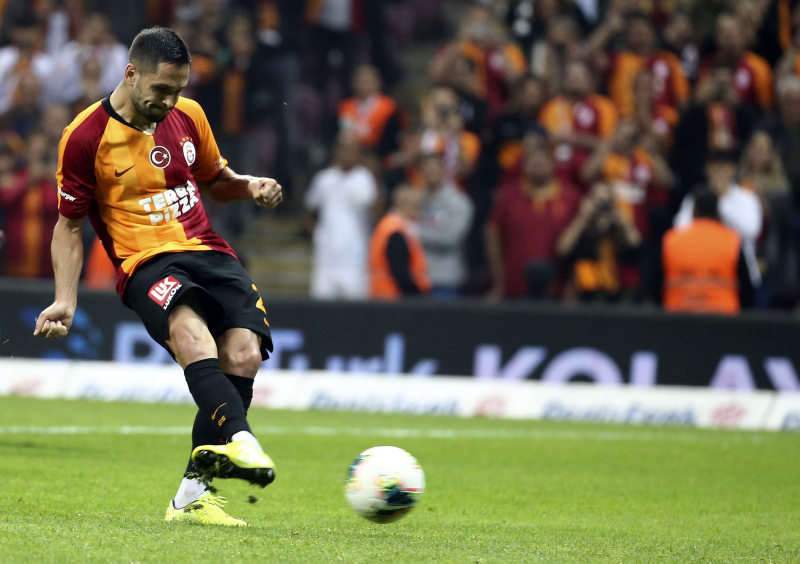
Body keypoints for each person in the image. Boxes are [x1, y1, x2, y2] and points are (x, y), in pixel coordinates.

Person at [33, 27, 283, 527]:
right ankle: (242, 439)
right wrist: (65, 298)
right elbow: (69, 226)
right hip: (145, 261)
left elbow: (216, 180)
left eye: (178, 90)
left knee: (244, 354)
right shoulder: (85, 136)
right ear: (131, 74)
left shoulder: (189, 115)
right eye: (161, 90)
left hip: (208, 250)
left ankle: (192, 497)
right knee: (192, 334)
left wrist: (250, 185)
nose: (169, 101)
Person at [485, 133, 580, 300]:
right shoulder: (508, 195)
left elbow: (579, 245)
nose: (538, 164)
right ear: (524, 165)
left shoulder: (570, 197)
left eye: (543, 160)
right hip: (513, 289)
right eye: (532, 160)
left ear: (553, 164)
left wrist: (572, 287)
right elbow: (492, 235)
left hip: (557, 291)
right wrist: (499, 281)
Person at [303, 134, 378, 300]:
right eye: (344, 149)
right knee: (322, 309)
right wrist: (316, 234)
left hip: (356, 261)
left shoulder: (365, 178)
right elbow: (308, 208)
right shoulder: (324, 179)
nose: (348, 154)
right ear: (336, 151)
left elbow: (377, 213)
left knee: (355, 311)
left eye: (352, 150)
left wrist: (376, 177)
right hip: (326, 261)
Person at [674, 149, 762, 287]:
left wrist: (721, 200)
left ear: (733, 169)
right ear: (707, 170)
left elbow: (751, 230)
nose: (720, 171)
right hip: (701, 272)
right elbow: (680, 230)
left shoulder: (746, 197)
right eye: (715, 166)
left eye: (724, 166)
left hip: (738, 273)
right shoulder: (694, 197)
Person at [661, 189, 754, 314]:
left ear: (694, 212)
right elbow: (747, 287)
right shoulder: (732, 241)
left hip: (679, 313)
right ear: (718, 213)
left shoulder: (671, 240)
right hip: (723, 315)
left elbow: (656, 282)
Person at [539, 59, 618, 191]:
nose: (575, 80)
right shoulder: (552, 107)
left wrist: (574, 139)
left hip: (594, 173)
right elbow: (548, 139)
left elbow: (609, 143)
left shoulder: (604, 107)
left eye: (580, 77)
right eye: (571, 76)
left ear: (589, 80)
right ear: (564, 80)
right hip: (558, 173)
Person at [557, 182, 642, 302]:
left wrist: (622, 221)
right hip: (584, 294)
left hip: (616, 294)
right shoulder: (581, 228)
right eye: (597, 201)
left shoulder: (617, 228)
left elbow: (636, 243)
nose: (601, 207)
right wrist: (583, 217)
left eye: (606, 202)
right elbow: (562, 249)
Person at [416, 152, 474, 298]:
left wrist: (415, 232)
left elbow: (451, 238)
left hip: (446, 279)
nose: (430, 172)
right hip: (419, 277)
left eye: (434, 168)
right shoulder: (417, 200)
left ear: (443, 170)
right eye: (426, 168)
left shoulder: (458, 201)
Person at [369, 186, 431, 300]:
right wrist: (416, 295)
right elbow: (399, 271)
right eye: (416, 207)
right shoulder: (395, 230)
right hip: (393, 296)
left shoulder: (390, 225)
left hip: (386, 294)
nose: (419, 212)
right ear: (402, 205)